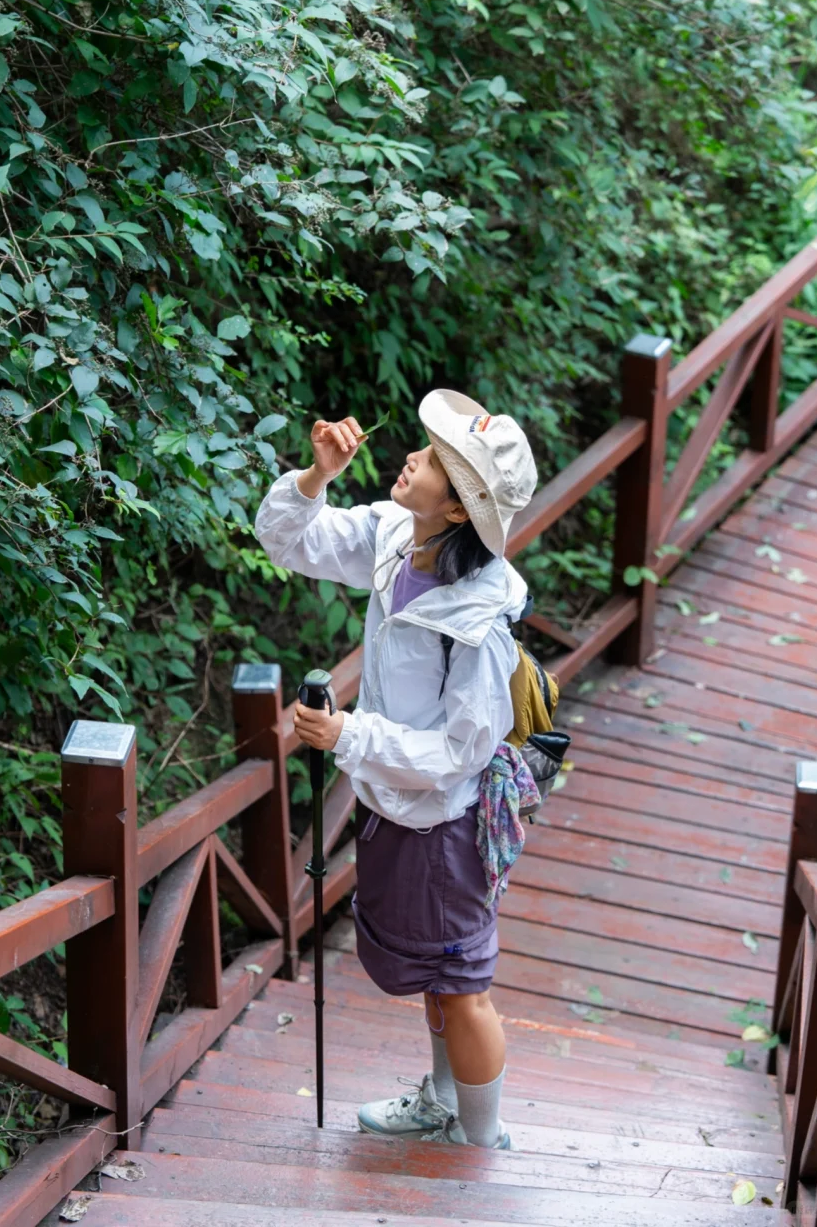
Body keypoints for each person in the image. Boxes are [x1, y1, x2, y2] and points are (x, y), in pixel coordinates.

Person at [254, 390, 538, 1149]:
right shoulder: (397, 538)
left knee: (463, 986)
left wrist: (349, 734)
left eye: (436, 461)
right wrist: (317, 476)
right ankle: (445, 1106)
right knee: (440, 980)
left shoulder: (476, 624)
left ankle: (480, 1145)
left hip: (440, 824)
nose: (413, 456)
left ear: (457, 511)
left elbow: (458, 751)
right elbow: (288, 543)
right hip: (397, 806)